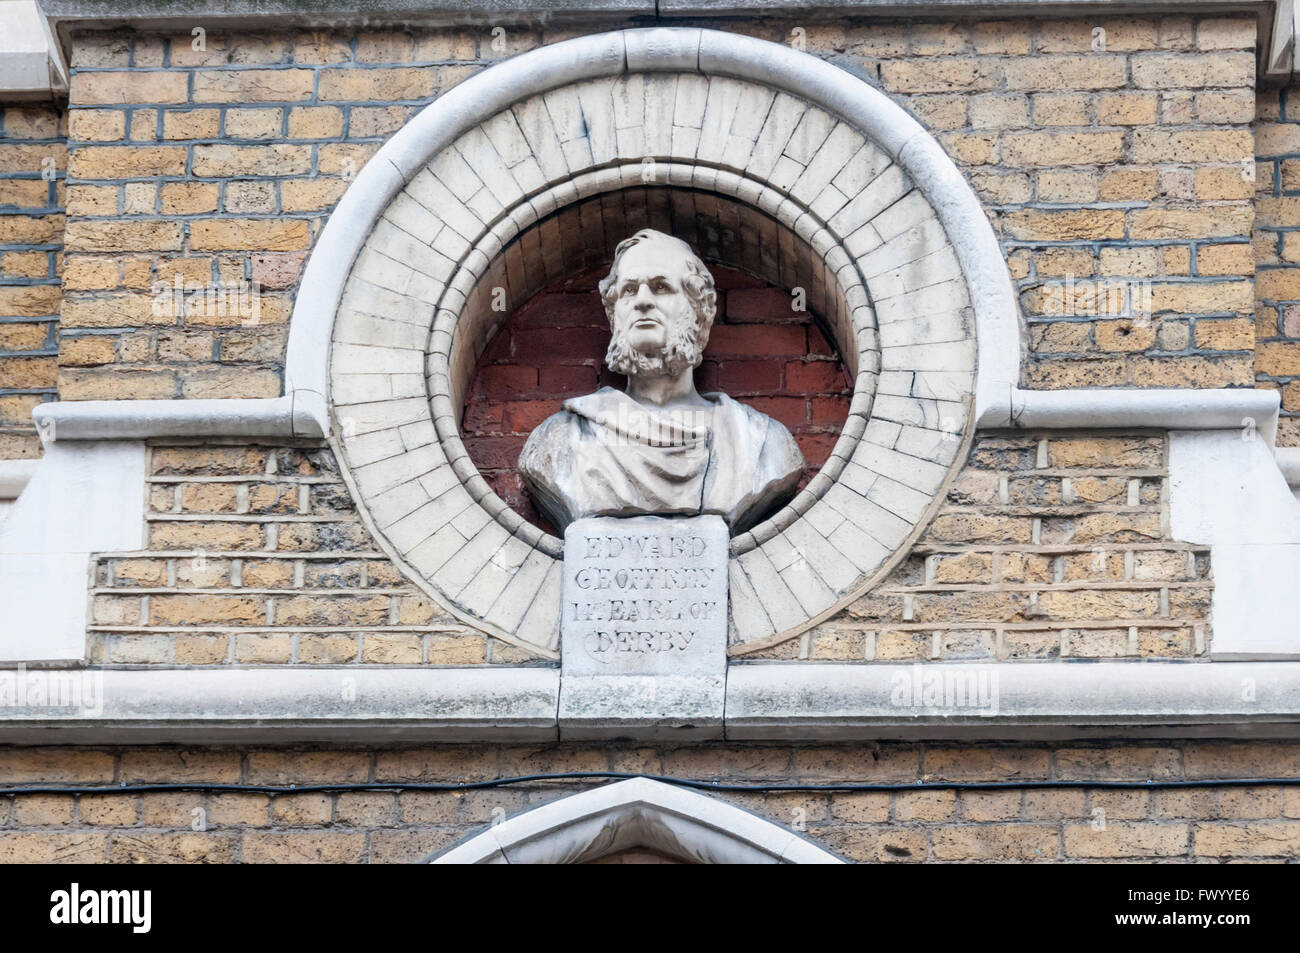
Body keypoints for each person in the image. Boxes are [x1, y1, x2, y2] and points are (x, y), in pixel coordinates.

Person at [518, 229, 804, 534]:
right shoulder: (563, 440)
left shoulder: (759, 443)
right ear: (614, 314)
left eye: (661, 287)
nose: (642, 301)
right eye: (629, 290)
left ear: (699, 310)